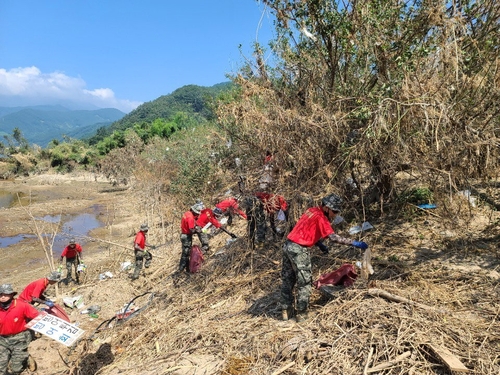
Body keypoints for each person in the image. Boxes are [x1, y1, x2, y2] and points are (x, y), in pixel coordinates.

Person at [279, 194, 368, 323]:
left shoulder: (311, 211)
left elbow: (305, 229)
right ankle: (302, 314)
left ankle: (285, 311)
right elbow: (333, 237)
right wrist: (354, 243)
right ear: (326, 208)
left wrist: (319, 243)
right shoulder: (321, 217)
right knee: (304, 282)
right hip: (298, 249)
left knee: (288, 279)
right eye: (334, 211)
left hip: (288, 245)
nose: (335, 215)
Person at [0, 284, 40, 375]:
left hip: (20, 338)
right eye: (0, 295)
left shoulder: (22, 306)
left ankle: (26, 359)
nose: (2, 297)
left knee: (16, 369)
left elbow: (37, 317)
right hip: (2, 340)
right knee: (1, 367)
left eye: (5, 294)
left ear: (11, 294)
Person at [178, 201, 204, 272]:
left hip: (183, 234)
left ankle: (187, 269)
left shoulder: (187, 213)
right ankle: (181, 269)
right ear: (193, 211)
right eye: (196, 213)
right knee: (185, 253)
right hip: (186, 236)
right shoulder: (190, 218)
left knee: (186, 252)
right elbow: (191, 230)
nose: (197, 214)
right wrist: (198, 231)